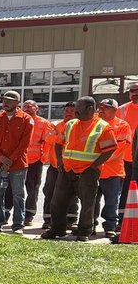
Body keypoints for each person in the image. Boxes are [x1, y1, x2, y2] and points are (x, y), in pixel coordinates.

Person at [42, 96, 116, 241]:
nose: (75, 112)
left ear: (90, 109)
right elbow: (59, 143)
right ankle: (58, 229)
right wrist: (60, 162)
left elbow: (110, 149)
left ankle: (84, 231)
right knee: (58, 201)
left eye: (78, 109)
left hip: (88, 172)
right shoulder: (70, 124)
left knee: (87, 203)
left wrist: (94, 166)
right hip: (67, 169)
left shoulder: (103, 126)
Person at [0, 90, 33, 233]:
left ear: (18, 103)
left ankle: (18, 225)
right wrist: (0, 157)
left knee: (18, 194)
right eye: (4, 100)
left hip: (17, 164)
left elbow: (25, 143)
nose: (6, 103)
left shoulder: (26, 119)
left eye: (10, 101)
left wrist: (10, 159)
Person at [94, 99, 131, 239]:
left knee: (111, 201)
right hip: (94, 170)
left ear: (115, 110)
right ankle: (89, 224)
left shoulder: (122, 125)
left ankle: (110, 227)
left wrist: (98, 160)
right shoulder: (94, 123)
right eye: (100, 107)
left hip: (113, 172)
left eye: (106, 108)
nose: (102, 110)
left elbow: (120, 149)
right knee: (91, 200)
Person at [42, 103, 78, 229]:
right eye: (66, 110)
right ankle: (48, 219)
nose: (68, 113)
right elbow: (48, 138)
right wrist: (63, 139)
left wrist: (60, 138)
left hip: (72, 167)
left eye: (72, 111)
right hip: (55, 166)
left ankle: (71, 219)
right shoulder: (55, 124)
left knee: (72, 194)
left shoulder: (79, 126)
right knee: (49, 192)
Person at [19, 99, 54, 227]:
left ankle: (29, 215)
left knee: (32, 189)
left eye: (30, 106)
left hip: (35, 161)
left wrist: (42, 159)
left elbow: (47, 142)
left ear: (37, 108)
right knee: (13, 188)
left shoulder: (44, 123)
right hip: (19, 160)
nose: (27, 108)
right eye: (25, 106)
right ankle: (8, 213)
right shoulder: (19, 121)